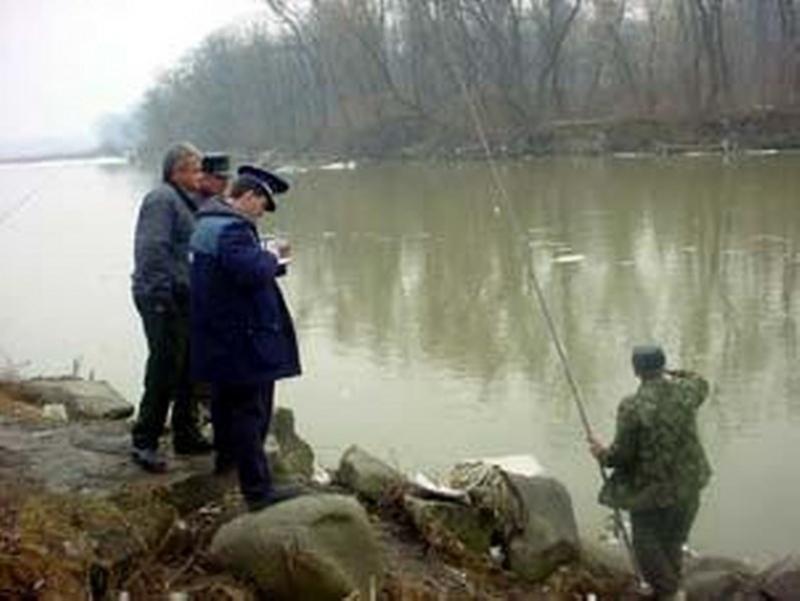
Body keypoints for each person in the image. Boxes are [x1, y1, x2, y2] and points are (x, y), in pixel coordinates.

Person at [189, 164, 302, 510]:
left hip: (218, 335)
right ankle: (258, 490)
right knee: (251, 412)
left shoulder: (205, 221)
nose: (262, 213)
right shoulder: (233, 230)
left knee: (225, 404)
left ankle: (227, 462)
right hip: (243, 339)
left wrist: (262, 258)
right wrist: (272, 256)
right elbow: (252, 270)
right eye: (262, 205)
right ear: (249, 195)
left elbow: (229, 273)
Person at [588, 345, 711, 601]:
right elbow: (700, 380)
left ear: (636, 370)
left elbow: (620, 457)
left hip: (653, 493)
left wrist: (600, 452)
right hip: (690, 485)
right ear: (662, 365)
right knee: (674, 542)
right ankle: (671, 588)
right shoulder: (687, 392)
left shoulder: (632, 406)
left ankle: (671, 593)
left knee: (646, 544)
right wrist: (668, 371)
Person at [131, 142, 213, 472]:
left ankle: (186, 433)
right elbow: (152, 249)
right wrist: (162, 296)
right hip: (160, 297)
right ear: (177, 172)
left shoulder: (187, 201)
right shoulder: (161, 200)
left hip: (183, 296)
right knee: (164, 367)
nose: (200, 176)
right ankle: (144, 441)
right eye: (195, 170)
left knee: (190, 366)